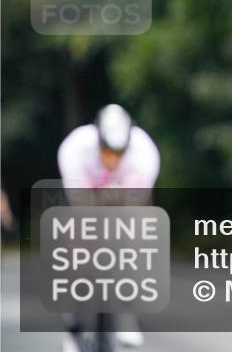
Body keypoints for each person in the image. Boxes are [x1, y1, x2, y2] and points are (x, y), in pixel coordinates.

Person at [57, 104, 160, 352]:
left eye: (119, 153)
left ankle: (126, 313)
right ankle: (74, 326)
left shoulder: (144, 152)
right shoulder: (75, 148)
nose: (112, 159)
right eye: (107, 151)